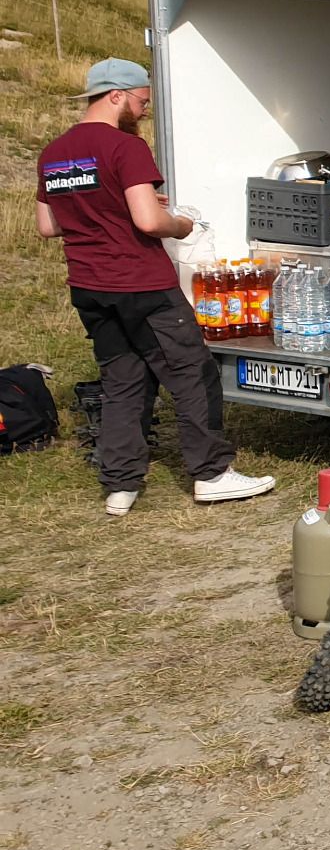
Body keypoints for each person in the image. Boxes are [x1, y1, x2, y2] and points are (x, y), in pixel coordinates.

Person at [35, 57, 274, 515]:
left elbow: (49, 225)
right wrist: (181, 224)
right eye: (142, 102)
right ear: (116, 96)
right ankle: (212, 474)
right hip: (140, 283)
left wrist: (109, 211)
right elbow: (149, 222)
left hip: (88, 286)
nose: (145, 110)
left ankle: (120, 485)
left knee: (122, 380)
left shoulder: (54, 152)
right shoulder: (125, 147)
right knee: (192, 373)